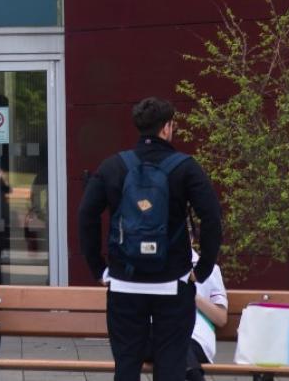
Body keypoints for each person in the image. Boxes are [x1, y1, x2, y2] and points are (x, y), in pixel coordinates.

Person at [78, 97, 222, 381]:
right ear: (167, 127)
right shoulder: (186, 167)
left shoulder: (113, 166)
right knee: (171, 369)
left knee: (126, 367)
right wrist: (203, 269)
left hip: (124, 284)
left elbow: (86, 216)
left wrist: (99, 269)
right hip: (172, 285)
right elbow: (212, 218)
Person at [185, 248, 227, 381]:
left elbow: (221, 318)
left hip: (196, 338)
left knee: (176, 346)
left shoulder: (209, 269)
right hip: (158, 335)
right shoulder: (153, 267)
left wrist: (189, 293)